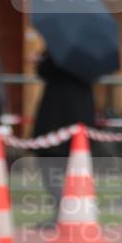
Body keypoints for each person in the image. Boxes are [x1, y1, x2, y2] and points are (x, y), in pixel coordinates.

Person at [32, 50, 96, 226]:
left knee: (49, 166)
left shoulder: (56, 50)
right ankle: (73, 212)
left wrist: (42, 59)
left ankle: (63, 211)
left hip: (56, 115)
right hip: (82, 114)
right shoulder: (92, 54)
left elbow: (44, 72)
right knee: (76, 168)